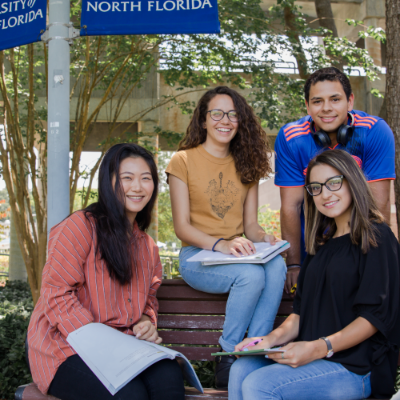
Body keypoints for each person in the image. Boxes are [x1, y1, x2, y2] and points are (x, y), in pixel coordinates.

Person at [229, 149, 400, 400]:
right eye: (316, 187)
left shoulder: (377, 238)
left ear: (352, 181)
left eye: (333, 183)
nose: (325, 194)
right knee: (242, 369)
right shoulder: (320, 247)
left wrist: (318, 348)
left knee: (261, 384)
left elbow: (374, 318)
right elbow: (299, 314)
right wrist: (267, 339)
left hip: (357, 368)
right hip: (315, 357)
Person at [27, 144, 185, 400]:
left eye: (146, 179)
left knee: (169, 375)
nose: (138, 187)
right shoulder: (80, 227)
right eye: (127, 178)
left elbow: (149, 300)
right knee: (130, 394)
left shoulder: (147, 247)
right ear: (108, 182)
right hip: (66, 347)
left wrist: (146, 321)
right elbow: (56, 294)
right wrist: (100, 341)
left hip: (122, 347)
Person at [166, 86, 287, 389]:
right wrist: (221, 244)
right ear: (203, 120)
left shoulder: (247, 163)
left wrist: (266, 238)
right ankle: (227, 351)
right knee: (251, 276)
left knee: (276, 266)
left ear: (241, 121)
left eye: (233, 114)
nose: (226, 120)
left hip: (234, 255)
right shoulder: (182, 160)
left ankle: (254, 350)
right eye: (217, 113)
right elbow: (181, 227)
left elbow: (250, 226)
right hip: (198, 256)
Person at [275, 67, 395, 294]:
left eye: (335, 99)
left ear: (350, 102)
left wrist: (372, 261)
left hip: (359, 243)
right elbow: (291, 205)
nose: (326, 108)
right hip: (313, 246)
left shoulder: (374, 131)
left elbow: (377, 206)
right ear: (307, 106)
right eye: (317, 101)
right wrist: (294, 263)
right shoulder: (291, 138)